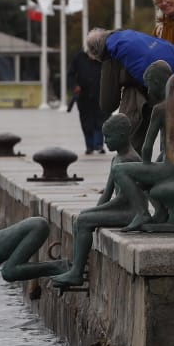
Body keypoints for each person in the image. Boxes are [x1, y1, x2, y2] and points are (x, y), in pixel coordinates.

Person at [51, 113, 143, 289]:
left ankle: (77, 273)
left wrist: (94, 214)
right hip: (121, 208)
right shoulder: (116, 158)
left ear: (122, 136)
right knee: (82, 218)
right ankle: (76, 266)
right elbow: (107, 194)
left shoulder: (130, 159)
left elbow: (125, 200)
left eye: (108, 137)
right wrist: (95, 210)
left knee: (85, 220)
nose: (105, 141)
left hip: (131, 213)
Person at [111, 59, 174, 232]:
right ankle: (160, 211)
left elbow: (147, 148)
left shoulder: (161, 108)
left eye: (149, 86)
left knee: (120, 170)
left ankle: (142, 212)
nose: (148, 91)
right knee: (146, 172)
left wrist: (145, 168)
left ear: (157, 83)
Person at [85, 27, 174, 149]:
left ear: (96, 52)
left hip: (148, 93)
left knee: (132, 142)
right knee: (171, 142)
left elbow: (108, 103)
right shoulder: (128, 35)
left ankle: (132, 163)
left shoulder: (109, 53)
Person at [67, 46, 105, 154]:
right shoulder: (79, 56)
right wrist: (75, 86)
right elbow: (70, 74)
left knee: (100, 120)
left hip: (100, 94)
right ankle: (90, 146)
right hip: (84, 96)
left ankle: (99, 145)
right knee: (86, 122)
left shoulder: (103, 56)